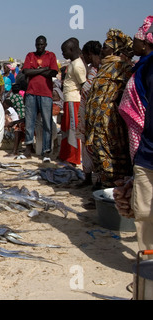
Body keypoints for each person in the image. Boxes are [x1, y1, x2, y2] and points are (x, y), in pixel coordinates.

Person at [114, 19, 153, 252]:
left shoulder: (148, 68)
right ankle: (148, 273)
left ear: (145, 40)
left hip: (147, 148)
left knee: (146, 211)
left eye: (136, 39)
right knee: (146, 211)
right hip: (145, 150)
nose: (133, 42)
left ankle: (148, 271)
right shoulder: (143, 66)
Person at [85, 29, 134, 188]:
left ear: (114, 50)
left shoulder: (122, 66)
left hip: (110, 123)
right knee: (99, 154)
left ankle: (111, 192)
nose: (102, 49)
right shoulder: (105, 66)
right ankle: (103, 189)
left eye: (106, 47)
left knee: (109, 155)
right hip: (97, 122)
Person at [119, 16, 153, 162]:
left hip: (144, 124)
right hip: (135, 123)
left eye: (135, 42)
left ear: (144, 44)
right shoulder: (140, 65)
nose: (133, 45)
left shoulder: (148, 66)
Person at [22, 35, 59, 162]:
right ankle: (28, 148)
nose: (39, 47)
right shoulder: (30, 56)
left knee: (47, 123)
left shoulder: (51, 56)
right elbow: (26, 72)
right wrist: (44, 70)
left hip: (46, 94)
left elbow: (53, 72)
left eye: (42, 45)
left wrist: (35, 71)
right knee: (29, 121)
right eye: (37, 45)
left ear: (46, 45)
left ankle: (46, 151)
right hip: (31, 92)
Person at [58, 38, 87, 166]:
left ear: (70, 50)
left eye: (64, 51)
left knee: (72, 129)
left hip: (73, 100)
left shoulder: (77, 65)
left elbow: (83, 84)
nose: (63, 54)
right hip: (68, 99)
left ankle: (73, 158)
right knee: (66, 128)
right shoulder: (73, 63)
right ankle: (65, 154)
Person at [77, 40, 102, 187]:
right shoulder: (92, 69)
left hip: (95, 115)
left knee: (96, 146)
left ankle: (98, 180)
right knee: (86, 146)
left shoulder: (102, 70)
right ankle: (87, 177)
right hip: (86, 113)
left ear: (88, 54)